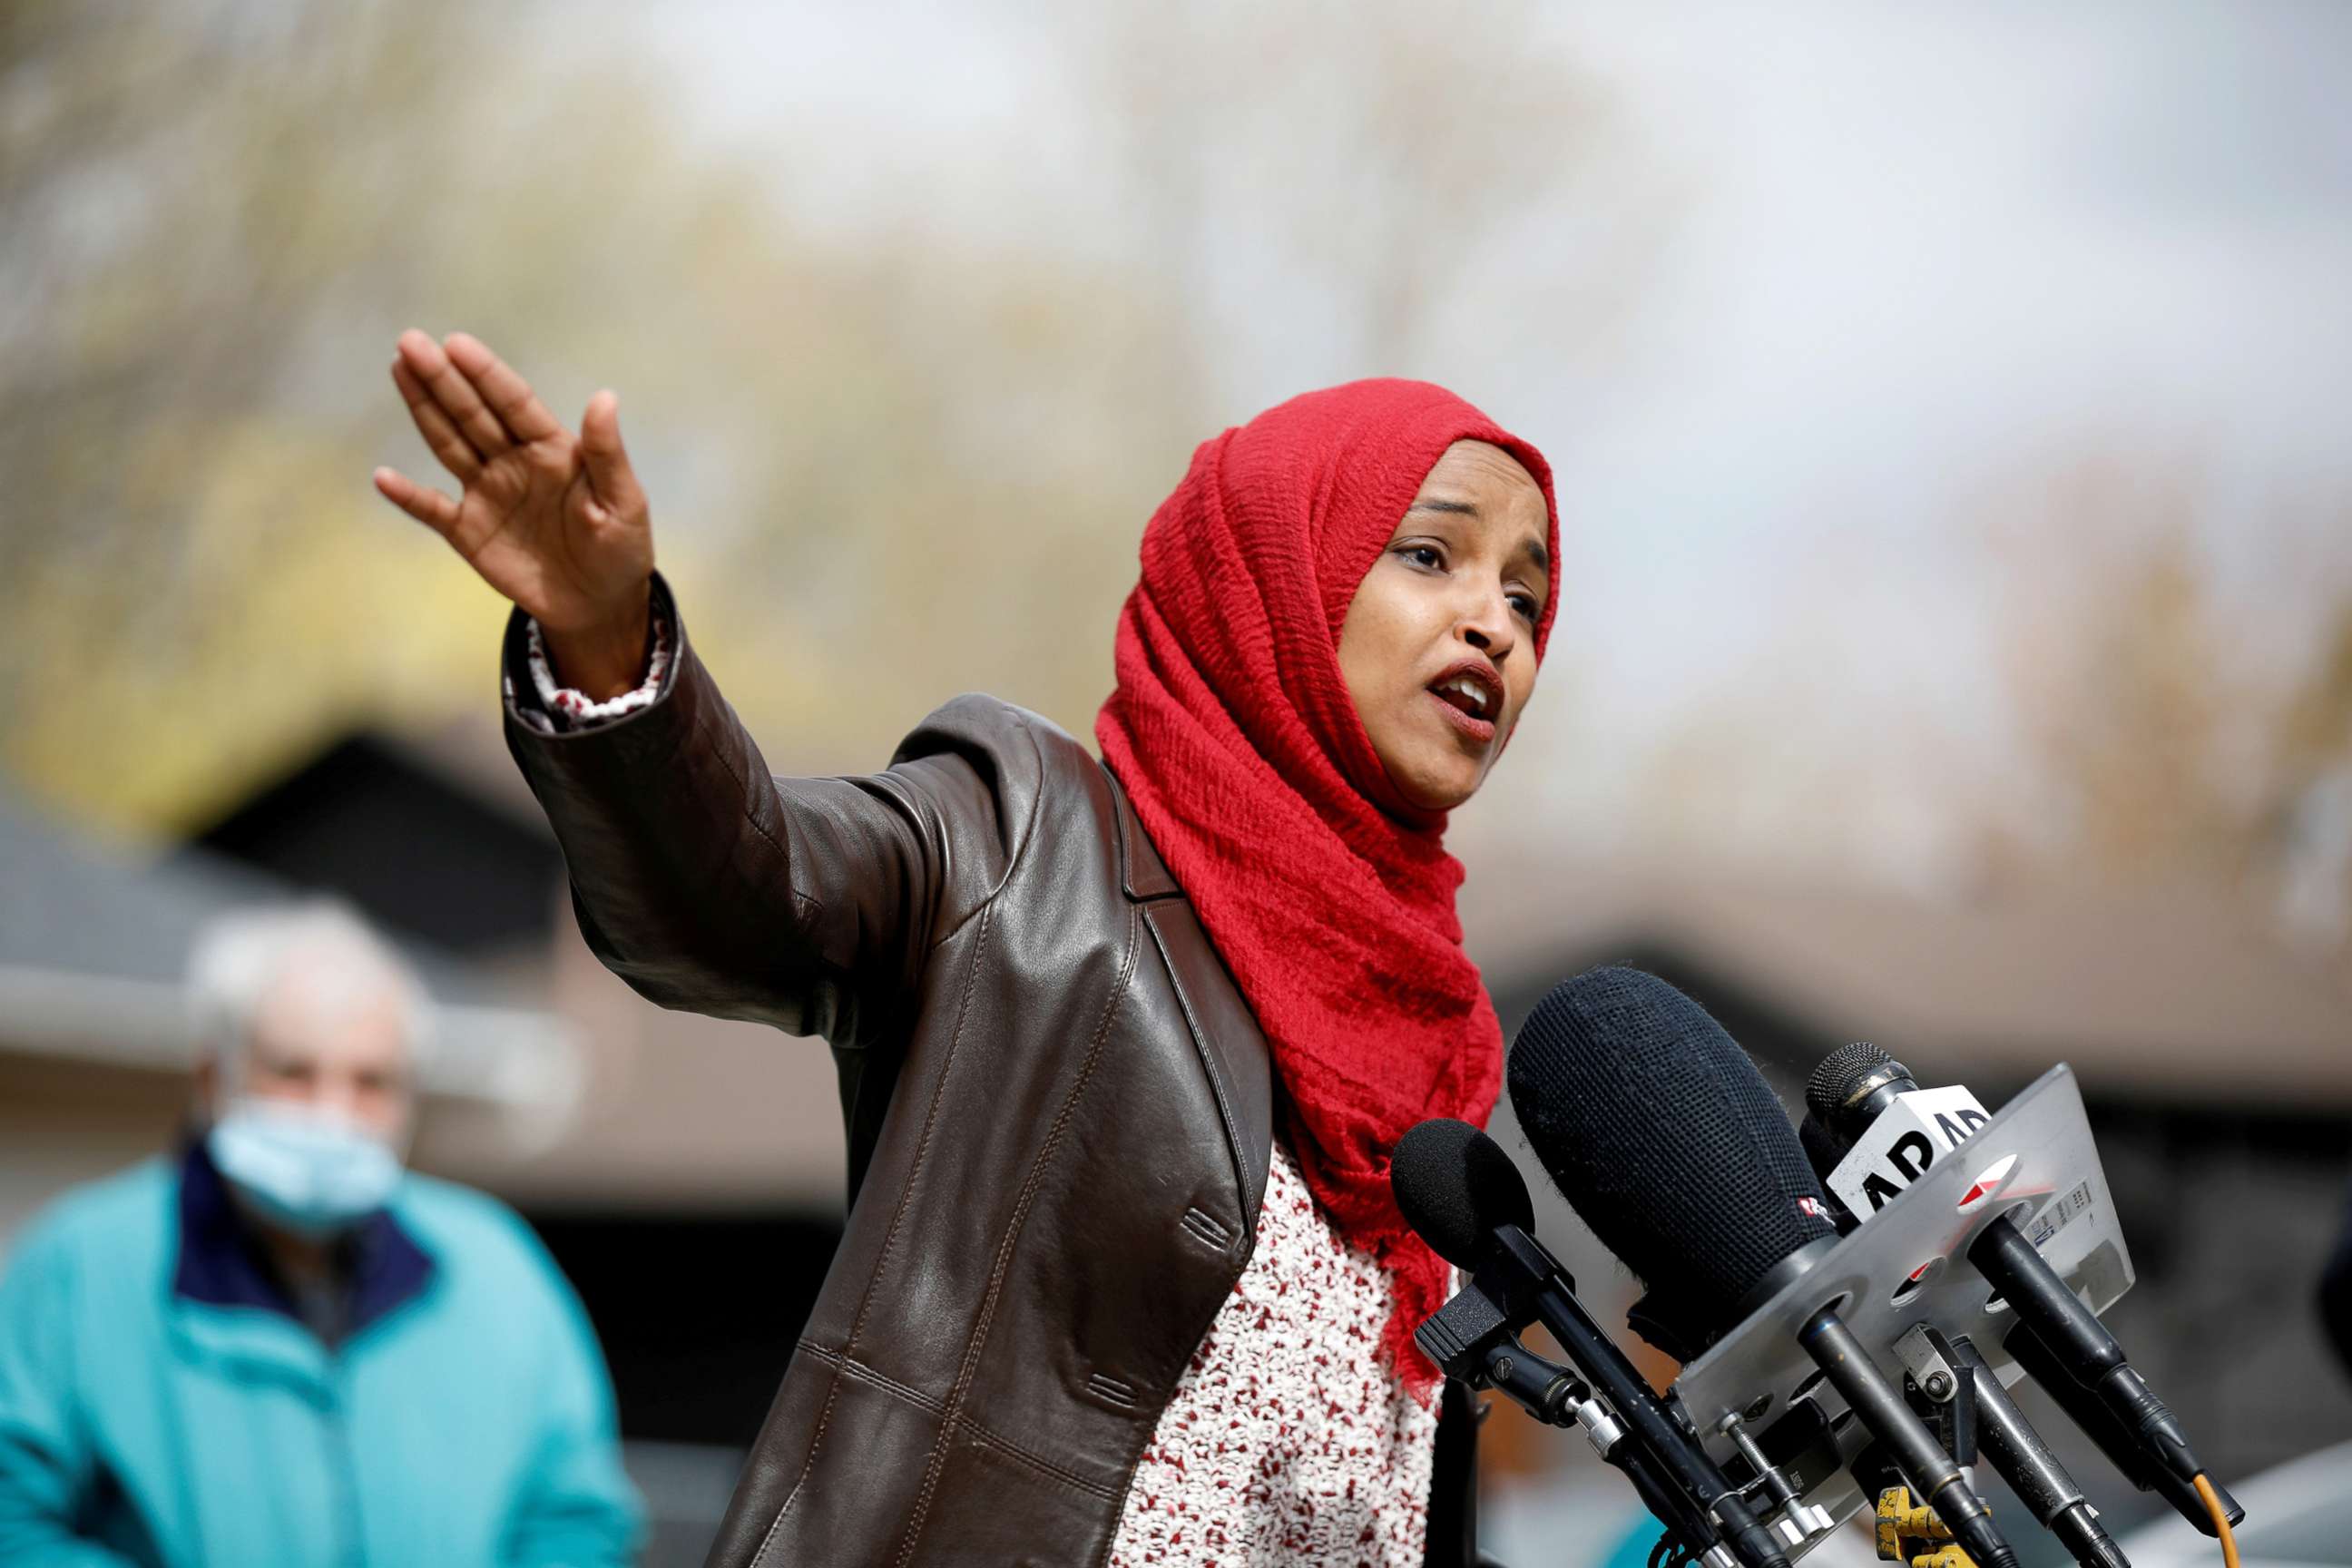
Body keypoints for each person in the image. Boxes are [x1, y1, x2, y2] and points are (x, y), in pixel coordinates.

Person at [372, 328, 1559, 1567]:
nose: (1495, 625)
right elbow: (738, 893)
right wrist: (609, 644)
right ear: (1270, 572)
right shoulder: (1028, 845)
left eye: (1527, 598)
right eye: (1432, 555)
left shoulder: (1434, 1052)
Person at [0, 901, 644, 1567]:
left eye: (371, 1082)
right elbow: (11, 1521)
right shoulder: (80, 1264)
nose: (332, 1112)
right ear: (213, 1078)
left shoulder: (497, 1267)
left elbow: (577, 1517)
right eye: (292, 1071)